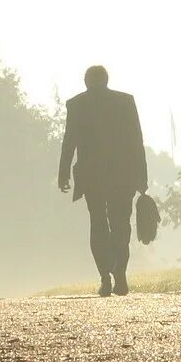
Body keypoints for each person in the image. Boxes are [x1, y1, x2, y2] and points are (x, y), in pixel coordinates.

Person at [57, 64, 147, 296]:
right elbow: (136, 141)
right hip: (122, 176)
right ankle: (120, 274)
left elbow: (70, 141)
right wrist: (142, 177)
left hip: (92, 176)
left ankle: (105, 277)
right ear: (106, 80)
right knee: (120, 226)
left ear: (86, 82)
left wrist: (63, 172)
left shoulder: (77, 105)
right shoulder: (125, 102)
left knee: (98, 224)